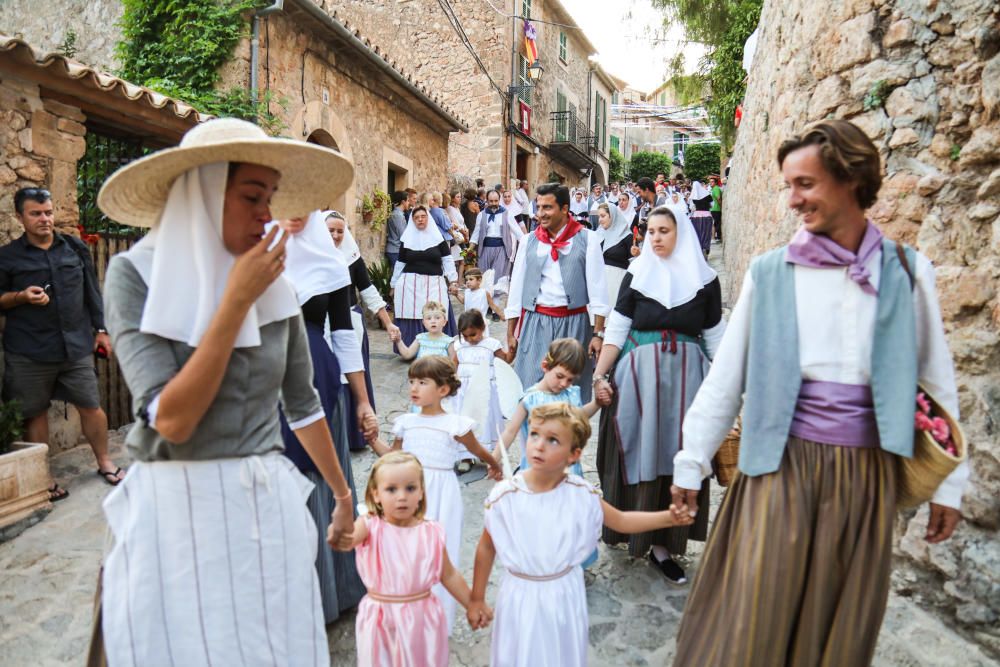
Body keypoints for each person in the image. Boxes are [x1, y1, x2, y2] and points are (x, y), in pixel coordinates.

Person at [671, 120, 968, 665]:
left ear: (851, 178)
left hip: (866, 478)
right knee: (753, 621)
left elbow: (936, 381)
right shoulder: (770, 273)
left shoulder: (908, 271)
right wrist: (690, 464)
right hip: (778, 470)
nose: (792, 200)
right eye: (788, 185)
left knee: (840, 629)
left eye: (804, 184)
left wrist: (951, 487)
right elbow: (727, 380)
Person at [95, 118, 357, 665]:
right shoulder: (134, 276)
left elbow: (303, 403)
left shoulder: (272, 281)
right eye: (252, 197)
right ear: (206, 192)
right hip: (177, 508)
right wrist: (234, 302)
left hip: (263, 500)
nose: (268, 214)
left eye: (271, 197)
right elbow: (172, 420)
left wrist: (341, 495)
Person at [467, 402, 694, 667]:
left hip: (564, 592)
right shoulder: (505, 496)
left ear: (574, 455)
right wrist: (477, 598)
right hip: (520, 594)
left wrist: (667, 517)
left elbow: (621, 520)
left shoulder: (581, 494)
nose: (539, 445)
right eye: (535, 434)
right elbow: (486, 547)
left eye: (553, 440)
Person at [592, 207, 725, 585]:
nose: (656, 238)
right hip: (637, 384)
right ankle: (629, 531)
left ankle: (665, 545)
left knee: (677, 458)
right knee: (637, 452)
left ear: (680, 233)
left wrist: (729, 395)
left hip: (687, 385)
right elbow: (617, 330)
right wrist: (600, 375)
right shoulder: (637, 275)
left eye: (664, 231)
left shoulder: (706, 281)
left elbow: (717, 341)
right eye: (650, 231)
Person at [269, 210, 376, 623]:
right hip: (264, 380)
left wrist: (363, 400)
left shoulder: (329, 262)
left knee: (320, 482)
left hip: (318, 378)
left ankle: (332, 590)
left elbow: (345, 334)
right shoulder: (253, 252)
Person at [0, 187, 122, 498]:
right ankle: (44, 480)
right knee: (35, 412)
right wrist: (20, 297)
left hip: (76, 346)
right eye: (36, 213)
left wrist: (102, 330)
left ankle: (105, 462)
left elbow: (92, 291)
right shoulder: (8, 257)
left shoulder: (75, 248)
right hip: (29, 350)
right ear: (20, 217)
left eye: (48, 212)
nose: (44, 219)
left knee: (91, 406)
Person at [370, 356, 501, 632]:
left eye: (422, 382)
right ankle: (404, 607)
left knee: (442, 550)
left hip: (442, 493)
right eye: (411, 382)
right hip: (409, 491)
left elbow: (477, 450)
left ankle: (436, 615)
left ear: (443, 390)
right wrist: (372, 440)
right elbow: (392, 458)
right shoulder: (406, 422)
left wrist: (494, 463)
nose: (414, 388)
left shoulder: (455, 424)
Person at [348, 451, 489, 667]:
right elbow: (347, 539)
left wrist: (473, 604)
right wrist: (340, 523)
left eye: (410, 488)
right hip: (381, 620)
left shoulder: (431, 531)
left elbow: (449, 574)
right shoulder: (369, 526)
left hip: (422, 620)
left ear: (422, 492)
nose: (402, 496)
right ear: (376, 494)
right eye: (391, 489)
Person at [505, 183, 608, 402]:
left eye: (547, 208)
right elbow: (516, 290)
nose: (540, 214)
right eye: (539, 207)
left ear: (564, 208)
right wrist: (511, 333)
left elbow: (598, 291)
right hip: (535, 323)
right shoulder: (528, 241)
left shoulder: (587, 239)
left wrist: (598, 334)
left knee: (570, 390)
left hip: (574, 324)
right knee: (531, 388)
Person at [325, 211, 401, 452]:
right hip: (321, 327)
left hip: (350, 324)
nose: (336, 235)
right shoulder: (313, 258)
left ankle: (354, 435)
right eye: (331, 230)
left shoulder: (352, 258)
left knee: (352, 378)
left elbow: (368, 291)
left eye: (340, 230)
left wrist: (388, 323)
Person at [497, 337, 599, 476]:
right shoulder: (530, 399)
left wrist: (597, 403)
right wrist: (494, 459)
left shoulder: (571, 394)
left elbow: (580, 415)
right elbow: (510, 431)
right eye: (560, 376)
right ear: (545, 366)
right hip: (538, 469)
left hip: (567, 470)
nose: (564, 383)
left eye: (570, 379)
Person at [390, 206, 459, 351]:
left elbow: (447, 259)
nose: (420, 219)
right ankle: (410, 349)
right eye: (416, 217)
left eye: (423, 216)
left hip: (434, 283)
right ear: (412, 220)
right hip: (410, 284)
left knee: (437, 312)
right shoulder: (406, 239)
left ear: (428, 218)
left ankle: (440, 347)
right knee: (411, 312)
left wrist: (453, 280)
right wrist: (393, 284)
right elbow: (400, 263)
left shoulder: (438, 238)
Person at [449, 309, 510, 459]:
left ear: (482, 328)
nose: (469, 339)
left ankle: (488, 454)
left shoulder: (492, 344)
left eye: (473, 334)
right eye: (465, 336)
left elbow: (505, 361)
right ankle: (466, 456)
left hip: (486, 392)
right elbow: (453, 364)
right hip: (465, 392)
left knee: (486, 421)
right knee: (466, 421)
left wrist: (513, 351)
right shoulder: (459, 345)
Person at [470, 189, 520, 298]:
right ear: (487, 201)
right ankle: (487, 306)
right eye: (491, 201)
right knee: (484, 278)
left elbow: (517, 231)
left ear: (499, 200)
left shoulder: (507, 214)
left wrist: (528, 242)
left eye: (496, 201)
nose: (493, 204)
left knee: (498, 279)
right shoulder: (481, 215)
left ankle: (494, 310)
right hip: (484, 250)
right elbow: (476, 234)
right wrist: (468, 251)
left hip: (501, 249)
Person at [594, 202, 632, 316]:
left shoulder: (626, 236)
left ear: (612, 215)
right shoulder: (598, 234)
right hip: (600, 284)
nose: (600, 220)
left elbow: (633, 262)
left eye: (603, 216)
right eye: (598, 216)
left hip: (618, 284)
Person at [456, 267, 504, 335]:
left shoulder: (484, 293)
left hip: (480, 322)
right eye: (466, 280)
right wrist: (456, 295)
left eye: (471, 279)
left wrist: (501, 314)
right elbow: (464, 301)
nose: (468, 282)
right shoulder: (467, 292)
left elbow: (493, 306)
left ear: (479, 280)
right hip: (468, 321)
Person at [688, 180, 714, 257]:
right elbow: (712, 205)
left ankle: (699, 250)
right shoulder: (707, 194)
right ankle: (706, 248)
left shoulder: (692, 196)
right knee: (707, 233)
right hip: (707, 216)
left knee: (697, 233)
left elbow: (691, 207)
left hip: (696, 217)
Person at [386, 190, 409, 271]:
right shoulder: (397, 215)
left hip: (397, 250)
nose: (409, 203)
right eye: (408, 200)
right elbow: (403, 235)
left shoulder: (399, 214)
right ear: (403, 202)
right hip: (395, 250)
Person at [709, 175, 723, 241]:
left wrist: (720, 206)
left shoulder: (716, 188)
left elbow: (718, 198)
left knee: (716, 223)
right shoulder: (714, 189)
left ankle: (717, 237)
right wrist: (721, 206)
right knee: (717, 223)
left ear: (715, 182)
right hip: (715, 209)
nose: (710, 183)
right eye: (710, 182)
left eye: (712, 182)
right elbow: (718, 198)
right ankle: (719, 237)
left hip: (715, 208)